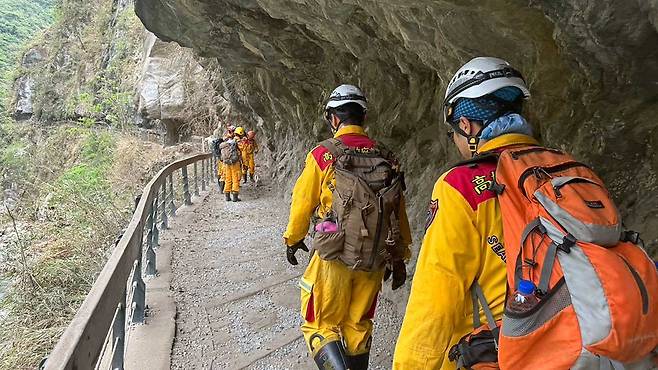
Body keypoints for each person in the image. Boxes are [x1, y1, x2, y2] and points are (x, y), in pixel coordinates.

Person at [393, 57, 538, 369]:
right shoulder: (564, 173)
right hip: (567, 343)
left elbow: (435, 300)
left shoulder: (461, 186)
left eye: (454, 134)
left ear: (467, 125)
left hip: (496, 352)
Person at [284, 84, 413, 370]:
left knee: (320, 323)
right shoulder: (387, 157)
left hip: (333, 255)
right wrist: (400, 252)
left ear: (333, 119)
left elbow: (302, 203)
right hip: (374, 257)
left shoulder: (323, 154)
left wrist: (292, 239)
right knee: (358, 323)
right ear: (363, 118)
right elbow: (397, 209)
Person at [219, 130, 243, 202]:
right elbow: (241, 149)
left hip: (226, 163)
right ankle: (235, 197)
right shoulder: (235, 142)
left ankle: (227, 196)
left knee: (228, 179)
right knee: (235, 178)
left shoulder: (224, 145)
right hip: (234, 163)